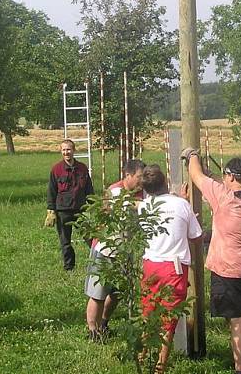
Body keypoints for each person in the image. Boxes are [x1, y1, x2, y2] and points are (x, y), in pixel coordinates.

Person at [182, 148, 241, 374]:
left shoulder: (223, 196)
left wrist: (192, 155)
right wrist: (215, 179)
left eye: (225, 176)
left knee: (237, 321)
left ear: (230, 176)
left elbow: (196, 175)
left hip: (230, 269)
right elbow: (220, 185)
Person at [138, 164, 202, 373]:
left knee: (148, 313)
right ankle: (160, 365)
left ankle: (141, 355)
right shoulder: (182, 206)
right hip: (173, 267)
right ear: (165, 181)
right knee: (169, 320)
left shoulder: (143, 207)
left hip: (149, 265)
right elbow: (196, 236)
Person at [85, 159, 146, 341]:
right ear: (127, 175)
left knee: (117, 293)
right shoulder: (115, 191)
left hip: (125, 252)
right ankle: (92, 331)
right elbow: (105, 214)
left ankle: (104, 323)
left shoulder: (142, 194)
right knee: (98, 293)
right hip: (106, 250)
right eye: (139, 177)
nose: (141, 181)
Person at [45, 138, 94, 271]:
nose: (66, 152)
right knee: (65, 242)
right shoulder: (56, 169)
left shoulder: (82, 168)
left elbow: (89, 189)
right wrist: (51, 210)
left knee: (90, 238)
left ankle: (97, 262)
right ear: (61, 151)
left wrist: (94, 206)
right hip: (63, 211)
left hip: (80, 210)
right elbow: (51, 190)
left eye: (69, 149)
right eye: (64, 150)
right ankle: (69, 267)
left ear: (74, 150)